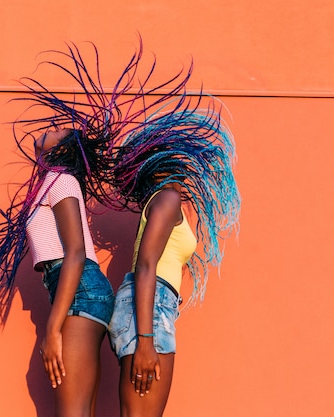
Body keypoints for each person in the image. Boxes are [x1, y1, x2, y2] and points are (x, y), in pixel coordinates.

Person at [0, 42, 140, 416]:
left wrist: (52, 328)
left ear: (63, 151)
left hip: (79, 292)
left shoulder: (61, 180)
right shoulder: (52, 182)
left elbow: (76, 252)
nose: (50, 128)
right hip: (79, 293)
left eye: (58, 129)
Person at [106, 89, 241, 416]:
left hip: (151, 308)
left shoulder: (163, 203)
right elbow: (146, 266)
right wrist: (146, 341)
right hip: (149, 314)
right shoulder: (166, 199)